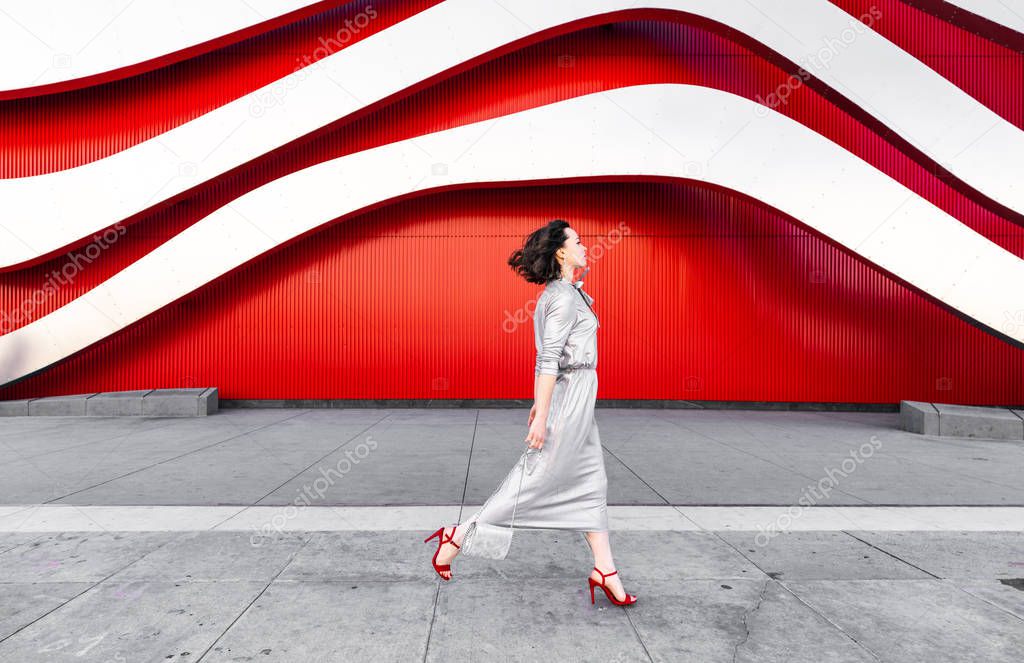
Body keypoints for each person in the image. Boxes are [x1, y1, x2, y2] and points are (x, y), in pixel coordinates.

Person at [423, 219, 637, 606]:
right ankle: (459, 536)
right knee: (535, 479)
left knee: (592, 482)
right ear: (561, 252)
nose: (585, 247)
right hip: (572, 396)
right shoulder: (564, 298)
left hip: (576, 394)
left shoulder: (566, 293)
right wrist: (542, 415)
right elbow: (549, 356)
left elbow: (551, 355)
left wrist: (542, 402)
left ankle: (605, 570)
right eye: (578, 242)